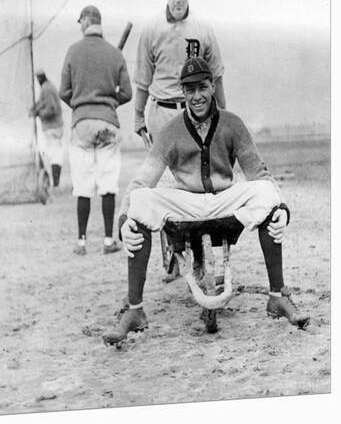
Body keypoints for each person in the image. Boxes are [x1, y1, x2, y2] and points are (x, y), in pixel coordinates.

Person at [103, 57, 309, 344]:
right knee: (140, 200)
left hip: (225, 200)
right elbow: (144, 179)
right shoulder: (171, 130)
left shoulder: (232, 124)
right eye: (189, 90)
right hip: (187, 204)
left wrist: (282, 210)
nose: (197, 96)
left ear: (212, 86)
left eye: (202, 87)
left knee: (267, 193)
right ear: (182, 93)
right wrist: (125, 220)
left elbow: (259, 172)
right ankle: (134, 310)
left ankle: (278, 297)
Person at [59, 5, 132, 256]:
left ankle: (81, 243)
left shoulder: (72, 51)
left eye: (80, 21)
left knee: (82, 184)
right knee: (108, 183)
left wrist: (81, 106)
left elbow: (64, 92)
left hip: (81, 124)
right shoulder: (114, 54)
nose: (79, 25)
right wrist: (109, 101)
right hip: (108, 124)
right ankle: (109, 241)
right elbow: (127, 93)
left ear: (86, 22)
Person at [134, 0, 225, 143]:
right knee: (164, 170)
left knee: (197, 169)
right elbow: (143, 80)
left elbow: (217, 76)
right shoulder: (151, 28)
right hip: (161, 112)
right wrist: (138, 116)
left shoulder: (203, 28)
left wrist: (223, 114)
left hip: (196, 112)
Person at [30, 68, 64, 188]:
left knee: (53, 155)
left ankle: (55, 184)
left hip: (52, 127)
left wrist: (38, 114)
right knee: (55, 154)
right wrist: (36, 108)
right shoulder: (48, 87)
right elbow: (43, 103)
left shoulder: (46, 89)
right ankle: (54, 183)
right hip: (55, 127)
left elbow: (52, 109)